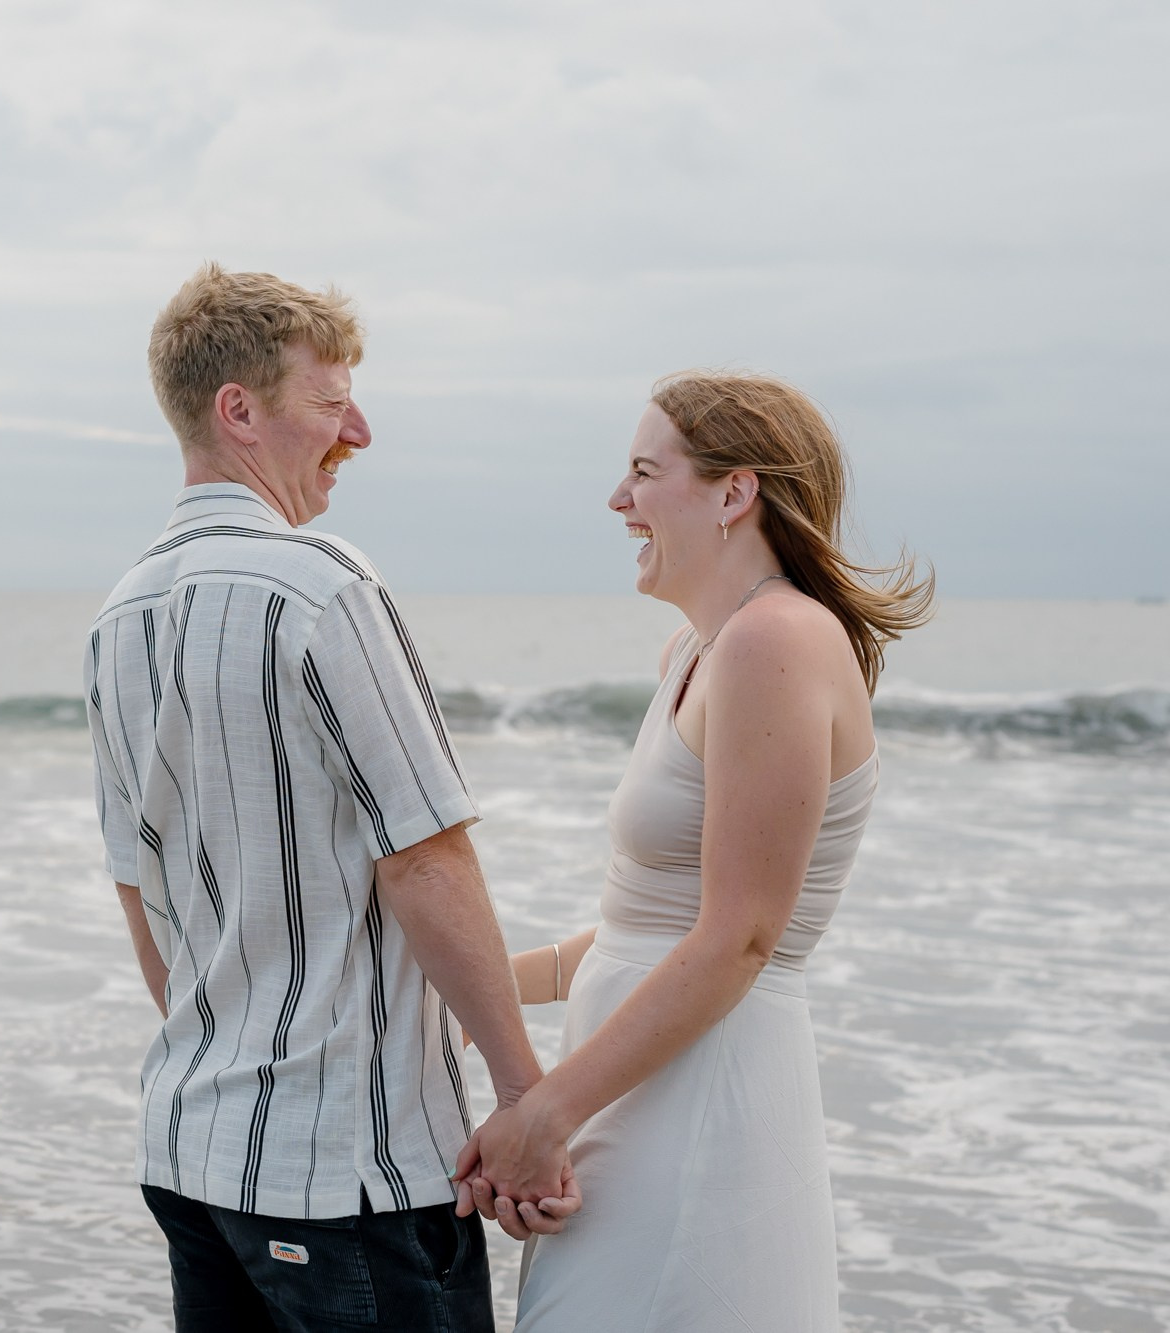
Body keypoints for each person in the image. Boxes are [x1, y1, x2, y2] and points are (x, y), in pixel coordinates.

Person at [84, 263, 578, 1333]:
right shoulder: (319, 588)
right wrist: (522, 1094)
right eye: (328, 400)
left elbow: (141, 890)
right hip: (344, 1172)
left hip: (191, 1151)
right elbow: (424, 859)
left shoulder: (117, 617)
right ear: (239, 412)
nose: (357, 429)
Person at [470, 373, 934, 1330]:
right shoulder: (698, 648)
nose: (617, 500)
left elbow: (739, 941)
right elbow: (637, 933)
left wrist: (545, 1114)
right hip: (634, 1096)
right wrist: (453, 979)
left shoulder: (777, 642)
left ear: (734, 493)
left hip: (705, 1103)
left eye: (644, 472)